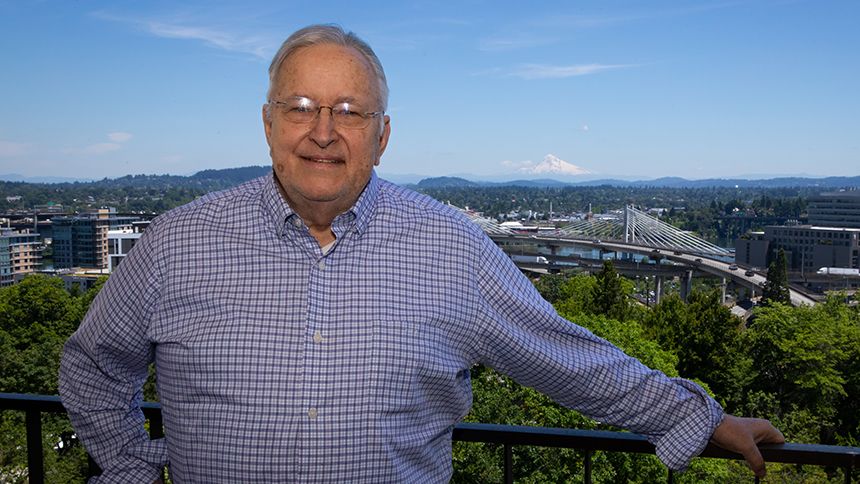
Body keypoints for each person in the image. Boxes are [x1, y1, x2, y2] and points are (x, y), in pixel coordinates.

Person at [59, 24, 783, 483]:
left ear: (382, 135)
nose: (322, 131)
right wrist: (131, 468)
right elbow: (92, 366)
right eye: (301, 107)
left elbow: (565, 356)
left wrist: (697, 420)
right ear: (268, 123)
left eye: (349, 111)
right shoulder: (178, 243)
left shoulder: (452, 248)